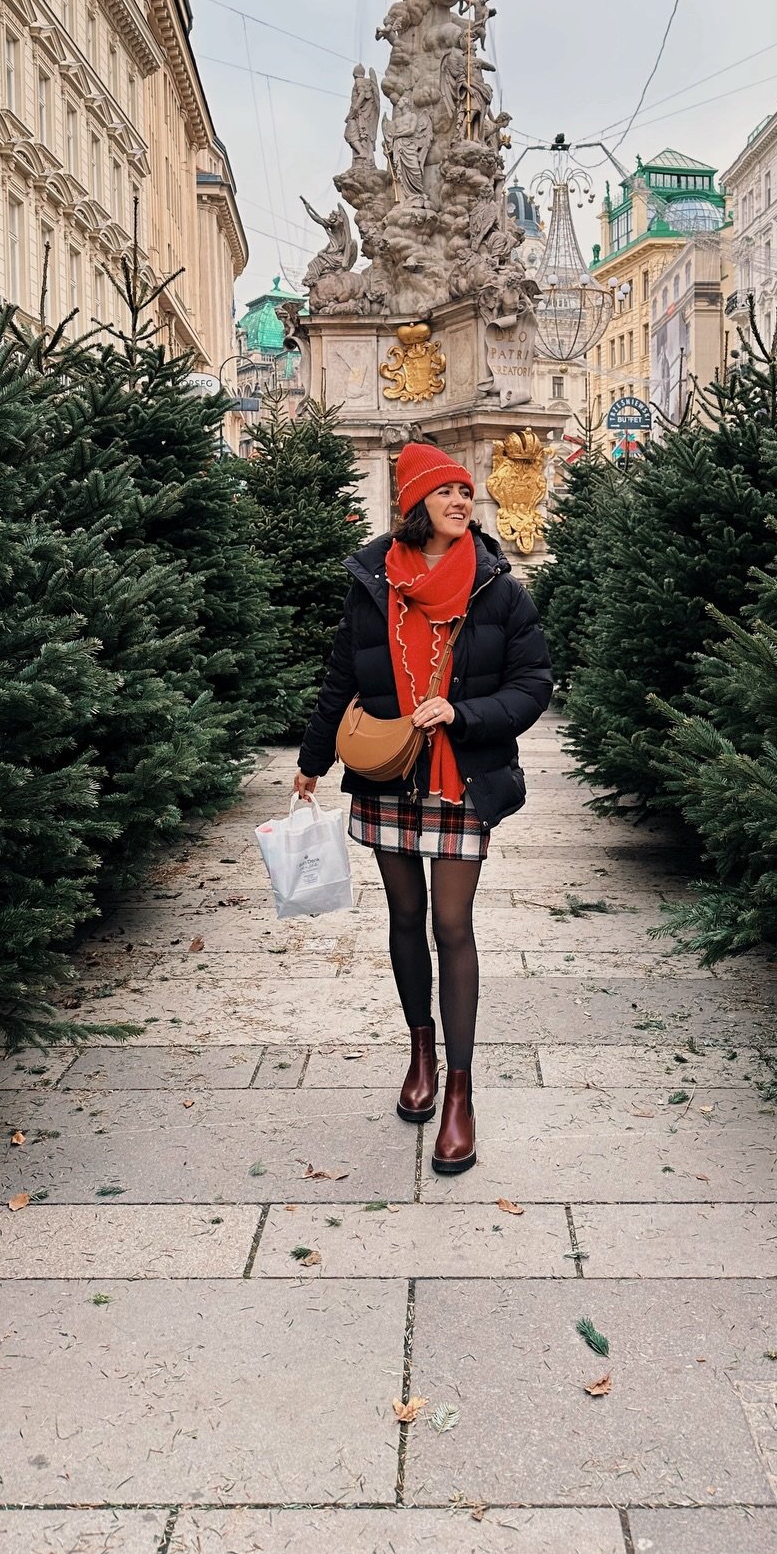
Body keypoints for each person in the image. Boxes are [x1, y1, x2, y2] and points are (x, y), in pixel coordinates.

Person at [294, 441, 553, 1173]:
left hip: (460, 777)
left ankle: (462, 1094)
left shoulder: (499, 586)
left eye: (467, 492)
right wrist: (314, 760)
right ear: (415, 503)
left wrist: (464, 715)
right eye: (446, 492)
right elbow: (342, 671)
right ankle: (421, 1056)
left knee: (451, 924)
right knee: (403, 918)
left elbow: (534, 683)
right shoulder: (375, 579)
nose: (461, 501)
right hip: (386, 775)